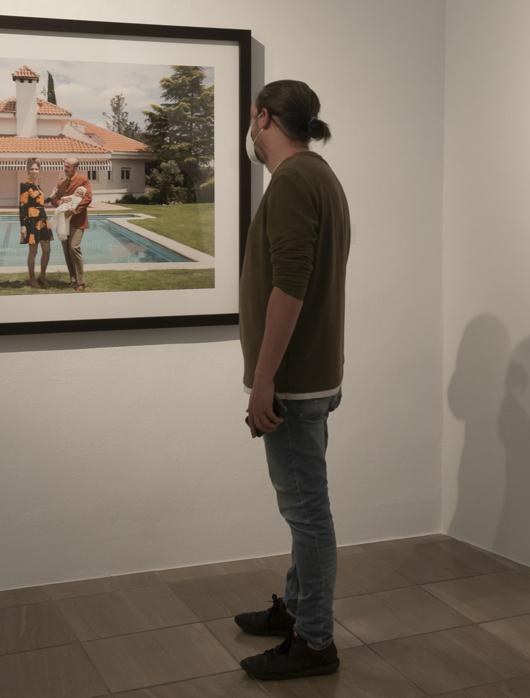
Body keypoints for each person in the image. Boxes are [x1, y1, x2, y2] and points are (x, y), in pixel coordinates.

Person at [234, 80, 350, 681]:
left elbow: (291, 285)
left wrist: (262, 380)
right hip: (315, 375)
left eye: (252, 120)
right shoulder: (320, 175)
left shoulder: (293, 182)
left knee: (308, 514)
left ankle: (315, 641)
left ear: (264, 119)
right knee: (307, 507)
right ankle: (299, 610)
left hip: (293, 383)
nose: (250, 131)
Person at [48, 157, 93, 291]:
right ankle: (73, 279)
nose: (65, 169)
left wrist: (74, 211)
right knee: (67, 251)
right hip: (63, 222)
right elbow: (54, 199)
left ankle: (81, 282)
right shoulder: (61, 183)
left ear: (75, 167)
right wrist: (58, 204)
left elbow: (87, 198)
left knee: (73, 247)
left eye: (67, 166)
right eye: (65, 166)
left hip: (78, 221)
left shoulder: (83, 181)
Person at [18, 158, 52, 289]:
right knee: (33, 251)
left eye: (36, 169)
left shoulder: (38, 186)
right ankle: (32, 278)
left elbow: (41, 202)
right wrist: (22, 225)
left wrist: (54, 196)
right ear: (28, 170)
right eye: (31, 169)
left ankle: (42, 276)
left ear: (39, 170)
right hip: (32, 221)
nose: (34, 171)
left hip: (43, 220)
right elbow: (22, 206)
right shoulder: (25, 185)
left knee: (47, 250)